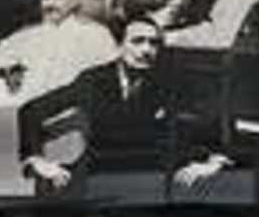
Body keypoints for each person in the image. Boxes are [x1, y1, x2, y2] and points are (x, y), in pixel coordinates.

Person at [24, 15, 233, 197]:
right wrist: (35, 159)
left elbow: (214, 114)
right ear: (119, 45)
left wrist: (214, 161)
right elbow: (30, 111)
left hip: (151, 170)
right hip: (101, 167)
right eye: (138, 41)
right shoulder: (93, 80)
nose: (146, 50)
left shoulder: (170, 79)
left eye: (154, 43)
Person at [0, 0, 121, 98]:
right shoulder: (26, 36)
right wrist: (7, 71)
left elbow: (115, 75)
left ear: (74, 0)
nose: (49, 3)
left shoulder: (98, 34)